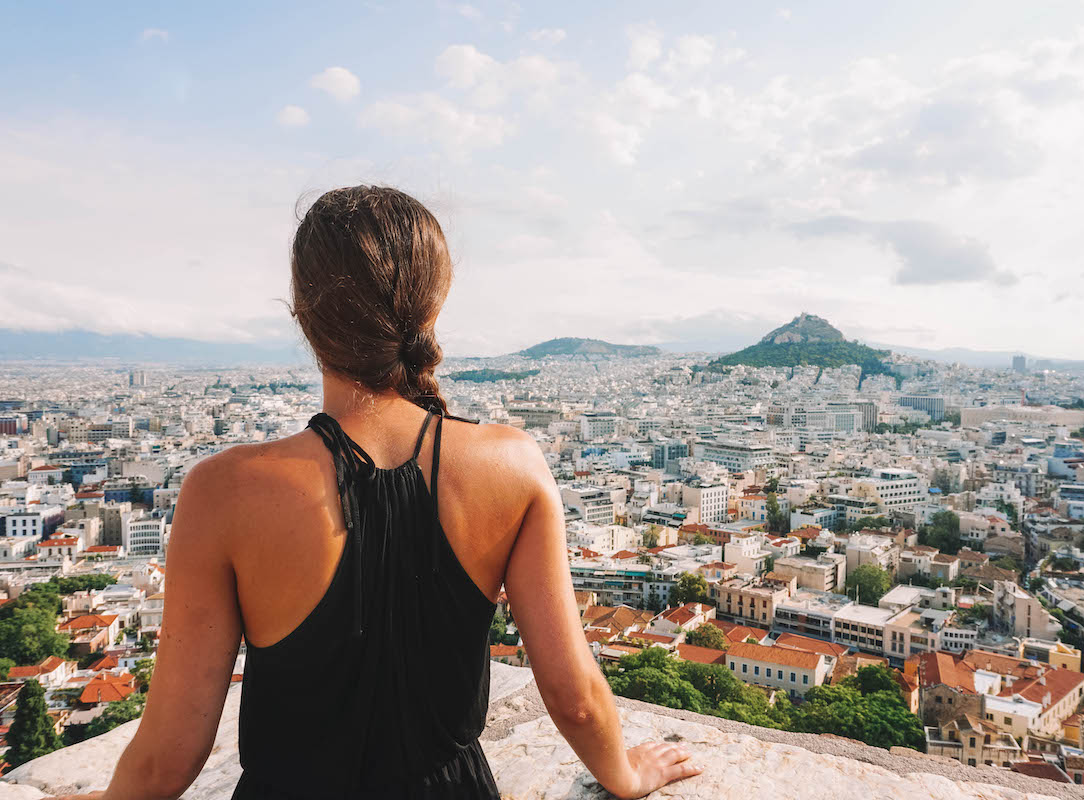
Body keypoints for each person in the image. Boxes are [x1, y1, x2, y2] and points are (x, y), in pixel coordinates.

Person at [50, 186, 701, 800]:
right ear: (433, 308)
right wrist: (625, 773)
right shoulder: (511, 466)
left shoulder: (225, 493)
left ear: (304, 316)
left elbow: (169, 756)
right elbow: (576, 696)